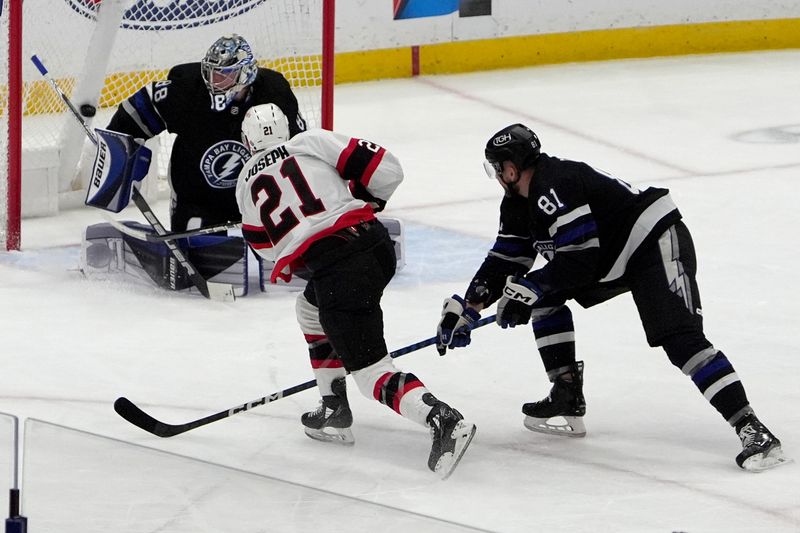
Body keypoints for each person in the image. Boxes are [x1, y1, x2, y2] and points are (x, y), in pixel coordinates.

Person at [435, 123, 790, 472]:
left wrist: (529, 288)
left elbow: (579, 259)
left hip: (651, 243)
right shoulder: (517, 203)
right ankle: (567, 394)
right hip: (609, 258)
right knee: (543, 296)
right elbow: (506, 258)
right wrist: (469, 307)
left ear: (510, 169)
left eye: (497, 168)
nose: (497, 176)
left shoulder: (554, 184)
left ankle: (753, 430)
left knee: (680, 339)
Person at [235, 103, 477, 479]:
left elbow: (266, 250)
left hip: (338, 271)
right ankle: (333, 408)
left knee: (370, 374)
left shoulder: (245, 185)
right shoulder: (310, 141)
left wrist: (304, 230)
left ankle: (442, 419)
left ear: (247, 142)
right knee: (309, 310)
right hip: (376, 246)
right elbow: (387, 168)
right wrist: (363, 201)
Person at [105, 34, 307, 231]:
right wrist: (116, 155)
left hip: (255, 196)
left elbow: (297, 143)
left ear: (245, 73)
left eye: (224, 75)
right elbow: (138, 110)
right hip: (195, 196)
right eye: (212, 73)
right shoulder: (189, 89)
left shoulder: (273, 91)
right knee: (192, 247)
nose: (214, 81)